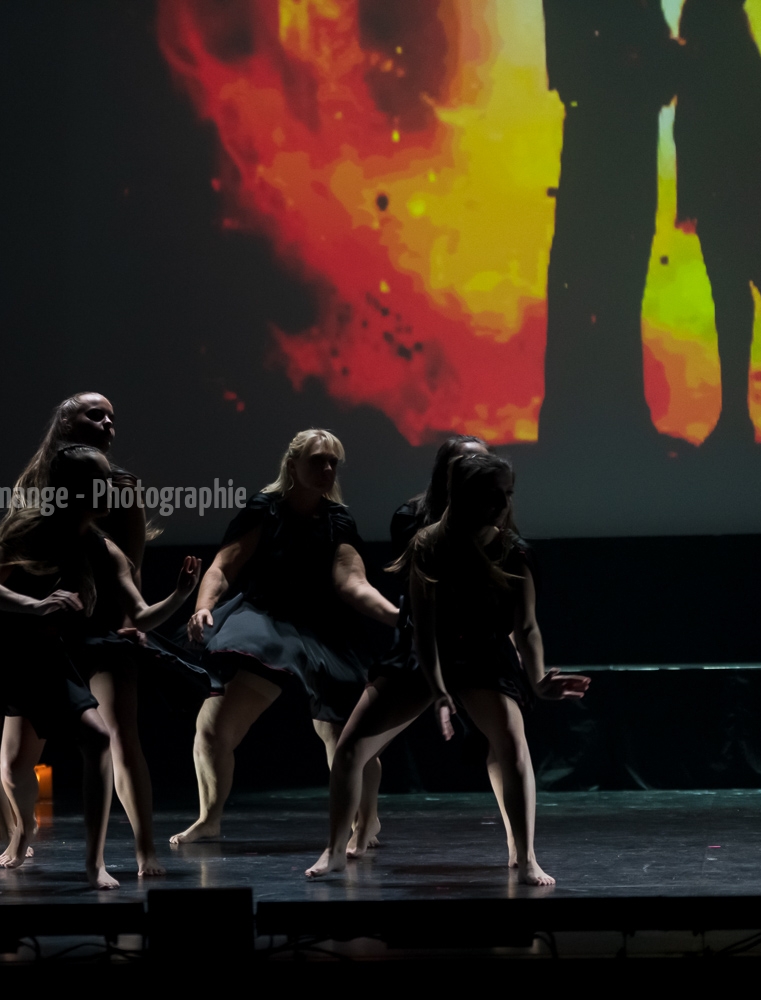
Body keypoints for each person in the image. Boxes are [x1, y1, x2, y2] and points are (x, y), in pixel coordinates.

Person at [306, 453, 591, 884]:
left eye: (507, 494)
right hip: (424, 653)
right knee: (349, 748)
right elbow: (423, 628)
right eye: (491, 494)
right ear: (464, 496)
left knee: (512, 747)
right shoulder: (429, 544)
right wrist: (438, 691)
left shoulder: (515, 552)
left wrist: (537, 680)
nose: (502, 503)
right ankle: (334, 850)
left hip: (483, 655)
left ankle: (526, 855)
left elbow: (527, 626)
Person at [0, 445, 201, 889]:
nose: (109, 487)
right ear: (70, 489)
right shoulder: (28, 530)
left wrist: (180, 595)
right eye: (98, 480)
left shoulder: (102, 548)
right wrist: (36, 606)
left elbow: (141, 614)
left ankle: (94, 863)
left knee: (97, 737)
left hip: (39, 659)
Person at [0, 393, 210, 877]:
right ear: (67, 422)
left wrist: (136, 620)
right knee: (15, 758)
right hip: (44, 628)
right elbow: (6, 563)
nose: (108, 423)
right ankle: (22, 830)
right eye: (96, 415)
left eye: (112, 417)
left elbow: (130, 564)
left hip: (105, 626)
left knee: (120, 738)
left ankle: (144, 848)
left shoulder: (119, 488)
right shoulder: (36, 484)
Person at [174, 429, 398, 847]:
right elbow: (223, 567)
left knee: (344, 735)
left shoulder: (337, 520)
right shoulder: (265, 509)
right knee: (213, 727)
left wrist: (398, 617)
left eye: (333, 462)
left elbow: (352, 582)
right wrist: (203, 606)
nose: (327, 468)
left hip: (323, 631)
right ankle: (209, 819)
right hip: (268, 623)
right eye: (317, 460)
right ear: (292, 465)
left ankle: (365, 823)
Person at [539, 0, 679, 449]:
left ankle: (602, 416)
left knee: (611, 276)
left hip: (610, 131)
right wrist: (658, 65)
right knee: (604, 276)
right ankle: (601, 419)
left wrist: (653, 64)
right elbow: (578, 67)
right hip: (608, 133)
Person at [675, 0, 761, 447]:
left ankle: (734, 418)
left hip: (724, 195)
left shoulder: (710, 63)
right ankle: (734, 417)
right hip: (731, 194)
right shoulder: (734, 61)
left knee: (745, 294)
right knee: (759, 286)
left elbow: (695, 130)